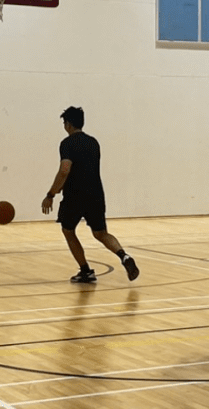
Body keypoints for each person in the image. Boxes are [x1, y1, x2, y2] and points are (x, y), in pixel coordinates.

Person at [41, 107, 139, 283]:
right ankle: (124, 256)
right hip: (96, 194)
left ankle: (85, 271)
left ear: (68, 124)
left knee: (68, 230)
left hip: (75, 196)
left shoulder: (67, 143)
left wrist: (51, 194)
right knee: (101, 233)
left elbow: (64, 170)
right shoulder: (93, 142)